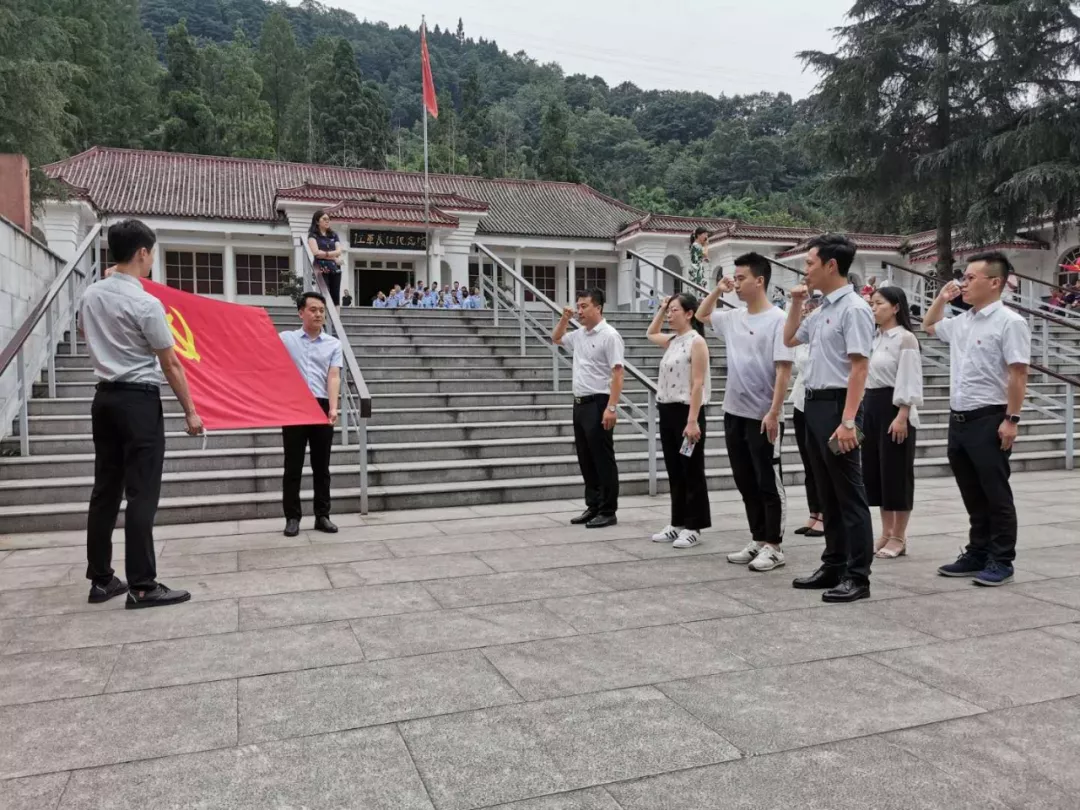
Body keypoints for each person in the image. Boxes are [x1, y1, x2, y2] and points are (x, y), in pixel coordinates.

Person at [79, 219, 202, 609]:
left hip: (105, 400)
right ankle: (143, 585)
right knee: (141, 493)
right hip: (138, 402)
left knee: (105, 491)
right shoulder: (146, 303)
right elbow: (171, 363)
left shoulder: (91, 296)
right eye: (152, 253)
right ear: (142, 253)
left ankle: (101, 579)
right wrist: (191, 412)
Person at [924, 251, 1031, 586]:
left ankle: (1002, 559)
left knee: (995, 493)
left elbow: (1018, 373)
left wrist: (1011, 419)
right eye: (963, 278)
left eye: (970, 278)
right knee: (971, 491)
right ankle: (977, 552)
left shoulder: (1010, 322)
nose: (963, 283)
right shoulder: (962, 321)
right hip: (959, 419)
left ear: (995, 282)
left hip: (990, 417)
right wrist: (942, 298)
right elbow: (928, 325)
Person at [783, 233, 876, 603]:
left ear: (830, 265)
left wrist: (849, 420)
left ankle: (858, 575)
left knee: (850, 495)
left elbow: (859, 368)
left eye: (809, 263)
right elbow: (790, 338)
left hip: (840, 406)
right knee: (827, 492)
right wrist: (796, 303)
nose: (805, 270)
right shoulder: (821, 310)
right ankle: (833, 564)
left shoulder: (854, 309)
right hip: (814, 405)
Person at [698, 252, 795, 572]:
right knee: (745, 479)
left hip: (763, 415)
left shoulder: (778, 320)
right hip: (734, 411)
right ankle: (757, 538)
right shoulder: (733, 317)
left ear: (760, 281)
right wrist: (717, 290)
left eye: (741, 278)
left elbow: (783, 371)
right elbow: (702, 314)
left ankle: (775, 546)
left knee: (768, 480)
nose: (736, 284)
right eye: (734, 278)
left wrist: (774, 411)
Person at [553, 287, 625, 528]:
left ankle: (608, 509)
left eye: (584, 306)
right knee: (586, 457)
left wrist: (612, 407)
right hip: (580, 402)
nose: (579, 311)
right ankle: (593, 505)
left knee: (602, 458)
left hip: (600, 402)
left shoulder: (610, 335)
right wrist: (565, 318)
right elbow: (556, 338)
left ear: (598, 308)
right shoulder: (580, 333)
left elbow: (617, 373)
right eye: (578, 306)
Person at [647, 294, 712, 548]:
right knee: (675, 469)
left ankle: (694, 525)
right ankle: (677, 522)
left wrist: (693, 420)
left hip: (688, 413)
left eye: (675, 310)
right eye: (669, 310)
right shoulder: (673, 340)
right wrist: (661, 309)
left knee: (691, 469)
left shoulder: (696, 342)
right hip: (667, 410)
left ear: (689, 313)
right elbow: (651, 333)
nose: (670, 315)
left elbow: (697, 383)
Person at [865, 286, 923, 559]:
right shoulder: (874, 338)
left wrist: (902, 415)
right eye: (872, 304)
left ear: (896, 307)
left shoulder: (906, 338)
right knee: (876, 473)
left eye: (878, 303)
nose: (873, 308)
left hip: (894, 407)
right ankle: (886, 532)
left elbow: (909, 379)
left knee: (897, 473)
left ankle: (900, 535)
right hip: (872, 406)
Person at [279, 292, 342, 538]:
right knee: (292, 466)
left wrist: (334, 407)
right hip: (293, 406)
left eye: (321, 310)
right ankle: (292, 517)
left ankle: (322, 515)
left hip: (322, 406)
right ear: (301, 312)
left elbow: (334, 376)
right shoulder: (286, 339)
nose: (318, 314)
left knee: (321, 466)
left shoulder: (333, 344)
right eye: (313, 309)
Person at [789, 297, 825, 539]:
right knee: (808, 462)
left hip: (822, 403)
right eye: (803, 311)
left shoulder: (824, 340)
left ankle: (826, 514)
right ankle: (814, 512)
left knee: (822, 463)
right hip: (801, 401)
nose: (805, 315)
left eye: (809, 311)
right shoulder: (801, 341)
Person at [306, 210, 343, 306]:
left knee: (336, 295)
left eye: (328, 219)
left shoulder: (334, 235)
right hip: (321, 267)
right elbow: (316, 253)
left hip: (335, 268)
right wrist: (333, 257)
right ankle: (324, 317)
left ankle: (336, 319)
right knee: (324, 294)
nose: (327, 221)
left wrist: (325, 254)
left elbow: (339, 251)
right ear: (317, 221)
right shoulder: (313, 235)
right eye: (324, 219)